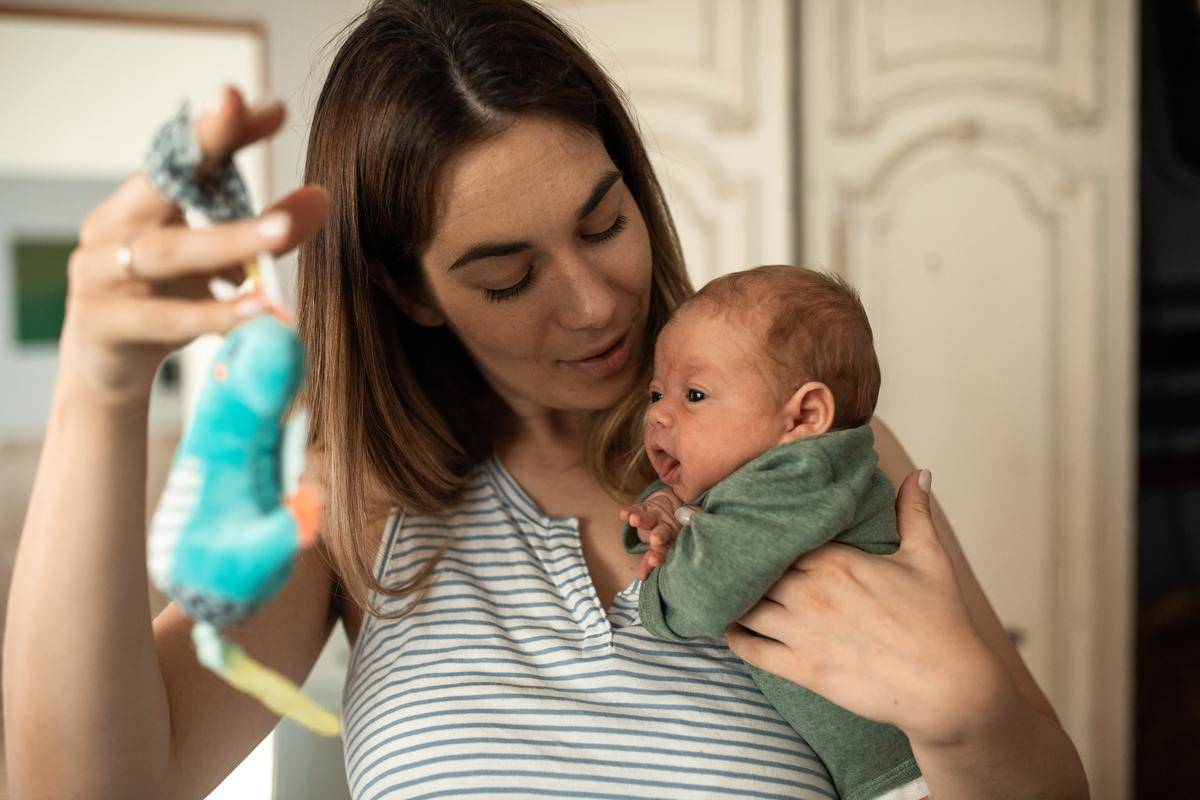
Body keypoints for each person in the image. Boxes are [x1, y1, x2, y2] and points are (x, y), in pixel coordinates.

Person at [3, 1, 1090, 798]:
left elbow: (1040, 779)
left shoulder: (801, 455)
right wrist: (100, 386)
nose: (595, 303)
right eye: (507, 277)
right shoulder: (356, 505)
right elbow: (82, 787)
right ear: (408, 293)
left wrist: (971, 714)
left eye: (604, 222)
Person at [619, 265, 920, 800]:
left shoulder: (801, 476)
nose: (659, 416)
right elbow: (718, 513)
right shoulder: (774, 482)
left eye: (694, 395)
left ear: (804, 417)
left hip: (909, 774)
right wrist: (667, 503)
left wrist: (656, 597)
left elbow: (705, 594)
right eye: (655, 395)